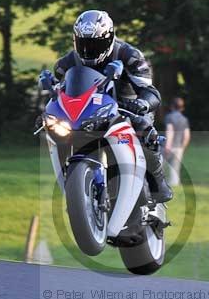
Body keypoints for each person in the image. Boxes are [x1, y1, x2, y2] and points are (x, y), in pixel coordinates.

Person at [42, 10, 173, 203]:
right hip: (86, 112)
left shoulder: (130, 56)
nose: (88, 50)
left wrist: (142, 103)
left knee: (145, 130)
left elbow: (151, 91)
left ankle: (158, 183)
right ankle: (77, 187)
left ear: (109, 38)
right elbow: (61, 93)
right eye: (83, 44)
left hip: (126, 108)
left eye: (95, 44)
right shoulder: (66, 63)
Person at [164, 97, 190, 186]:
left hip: (170, 146)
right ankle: (174, 184)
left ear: (172, 106)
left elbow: (170, 130)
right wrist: (183, 147)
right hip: (179, 147)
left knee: (162, 166)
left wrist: (167, 145)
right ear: (182, 108)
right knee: (175, 168)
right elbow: (187, 135)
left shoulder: (169, 117)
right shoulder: (184, 119)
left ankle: (162, 184)